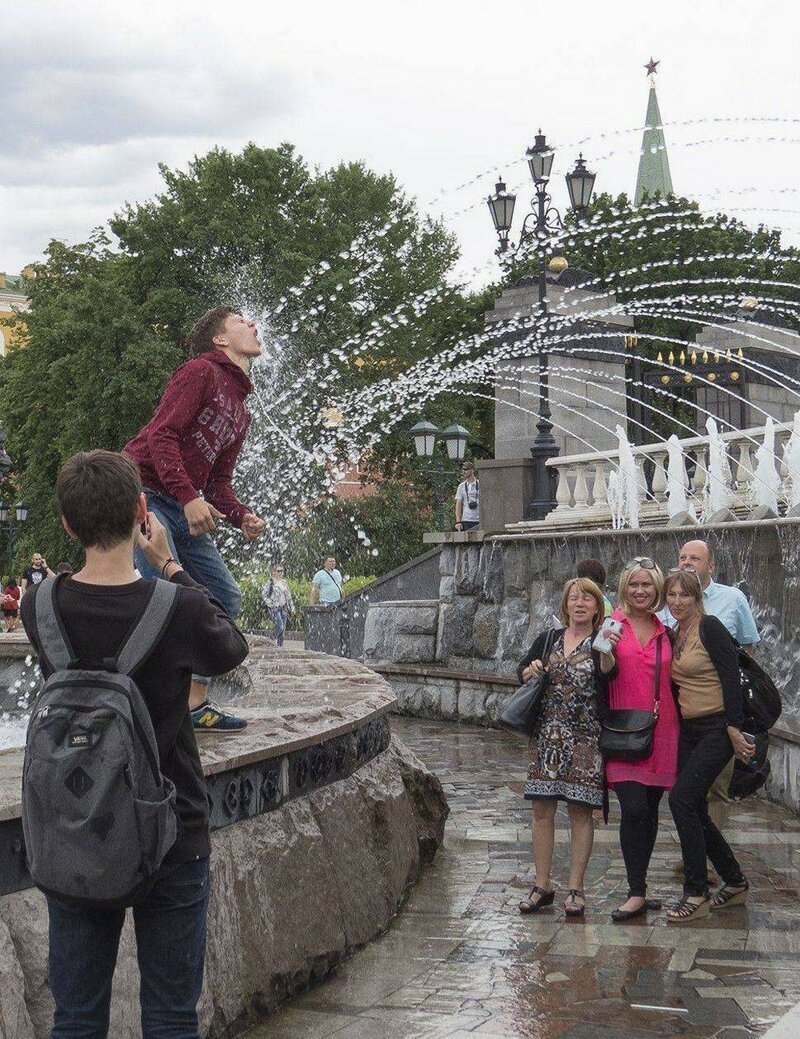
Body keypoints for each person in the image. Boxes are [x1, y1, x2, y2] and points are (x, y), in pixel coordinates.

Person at [20, 449, 248, 1037]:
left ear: (68, 524)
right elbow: (232, 648)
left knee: (75, 1016)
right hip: (171, 829)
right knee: (172, 1016)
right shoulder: (179, 607)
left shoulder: (37, 605)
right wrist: (169, 563)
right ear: (143, 511)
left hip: (75, 828)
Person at [124, 306, 266, 733]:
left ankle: (193, 705)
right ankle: (137, 704)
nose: (254, 325)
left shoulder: (241, 408)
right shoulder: (198, 372)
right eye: (242, 321)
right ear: (220, 340)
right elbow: (160, 436)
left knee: (223, 598)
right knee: (159, 601)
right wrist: (188, 498)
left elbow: (219, 482)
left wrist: (242, 515)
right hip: (147, 492)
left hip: (185, 503)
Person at [662, 568, 754, 923]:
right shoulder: (677, 633)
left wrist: (733, 727)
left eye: (684, 595)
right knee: (694, 807)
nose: (677, 601)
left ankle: (696, 892)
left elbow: (731, 676)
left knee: (682, 799)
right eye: (671, 595)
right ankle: (734, 881)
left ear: (697, 597)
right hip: (690, 730)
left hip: (718, 727)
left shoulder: (709, 626)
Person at [516, 577, 607, 918]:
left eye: (586, 599)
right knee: (542, 810)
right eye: (573, 598)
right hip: (547, 737)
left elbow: (611, 680)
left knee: (580, 812)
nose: (579, 604)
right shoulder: (548, 639)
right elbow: (521, 671)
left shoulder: (601, 643)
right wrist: (530, 669)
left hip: (585, 739)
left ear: (597, 607)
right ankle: (543, 885)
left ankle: (576, 888)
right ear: (565, 605)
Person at [597, 557, 679, 922]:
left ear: (657, 589)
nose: (640, 591)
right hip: (623, 731)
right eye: (634, 584)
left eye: (646, 585)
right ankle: (634, 891)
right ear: (624, 588)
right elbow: (604, 671)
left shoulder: (667, 631)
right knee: (633, 810)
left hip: (663, 731)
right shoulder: (613, 624)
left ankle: (641, 888)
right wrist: (605, 650)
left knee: (650, 812)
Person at [659, 540, 760, 834]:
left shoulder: (732, 598)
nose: (687, 562)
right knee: (687, 791)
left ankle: (710, 862)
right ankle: (695, 852)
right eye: (682, 557)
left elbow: (747, 649)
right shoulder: (671, 601)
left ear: (711, 566)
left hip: (720, 715)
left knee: (715, 788)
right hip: (684, 715)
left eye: (695, 558)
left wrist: (734, 713)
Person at [261, 564, 295, 647]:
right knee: (280, 626)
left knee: (282, 630)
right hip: (275, 608)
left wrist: (292, 607)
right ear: (274, 572)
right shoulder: (270, 582)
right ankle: (270, 640)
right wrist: (270, 604)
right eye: (278, 571)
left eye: (282, 571)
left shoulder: (284, 582)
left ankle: (280, 647)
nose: (280, 573)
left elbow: (288, 596)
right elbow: (264, 594)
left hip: (284, 608)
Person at [454, 462, 480, 531]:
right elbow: (458, 504)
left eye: (466, 469)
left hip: (479, 520)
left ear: (472, 470)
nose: (464, 471)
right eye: (463, 469)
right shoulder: (461, 486)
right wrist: (458, 522)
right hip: (466, 520)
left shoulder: (480, 484)